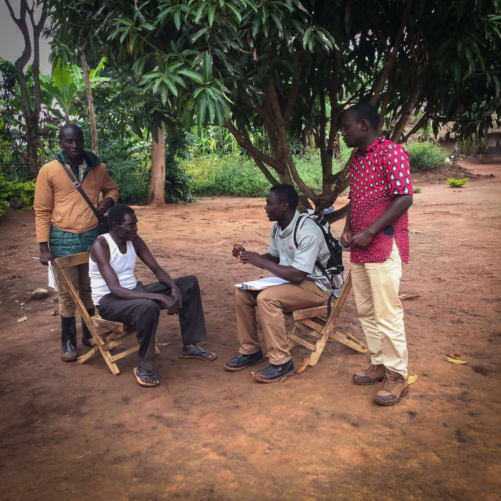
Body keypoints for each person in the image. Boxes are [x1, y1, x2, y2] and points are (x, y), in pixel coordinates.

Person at [89, 204, 216, 387]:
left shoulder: (134, 240)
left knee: (188, 283)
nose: (135, 229)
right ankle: (145, 367)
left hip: (134, 293)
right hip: (109, 301)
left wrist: (173, 287)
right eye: (131, 225)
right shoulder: (101, 245)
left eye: (136, 224)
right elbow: (115, 289)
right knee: (148, 307)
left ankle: (190, 345)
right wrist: (158, 297)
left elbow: (156, 269)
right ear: (116, 227)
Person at [340, 101, 413, 406]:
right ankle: (378, 363)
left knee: (387, 313)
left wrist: (370, 231)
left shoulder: (391, 152)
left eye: (346, 127)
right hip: (360, 249)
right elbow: (356, 199)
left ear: (364, 126)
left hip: (382, 245)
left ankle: (397, 375)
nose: (342, 134)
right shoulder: (357, 159)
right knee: (366, 311)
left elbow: (404, 198)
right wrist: (347, 228)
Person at [224, 184, 332, 383]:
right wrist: (249, 256)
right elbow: (274, 258)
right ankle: (250, 351)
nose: (265, 207)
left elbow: (298, 275)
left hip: (316, 286)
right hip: (292, 281)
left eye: (269, 204)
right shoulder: (279, 226)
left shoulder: (307, 230)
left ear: (284, 206)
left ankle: (282, 362)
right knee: (243, 293)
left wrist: (260, 261)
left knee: (267, 298)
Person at [34, 124, 118, 362]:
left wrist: (109, 202)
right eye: (68, 141)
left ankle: (89, 334)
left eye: (78, 141)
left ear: (83, 140)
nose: (74, 146)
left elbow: (112, 188)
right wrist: (43, 246)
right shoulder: (49, 170)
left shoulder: (97, 167)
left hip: (92, 236)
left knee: (89, 287)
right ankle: (68, 341)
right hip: (63, 237)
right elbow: (41, 210)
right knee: (67, 293)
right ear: (61, 142)